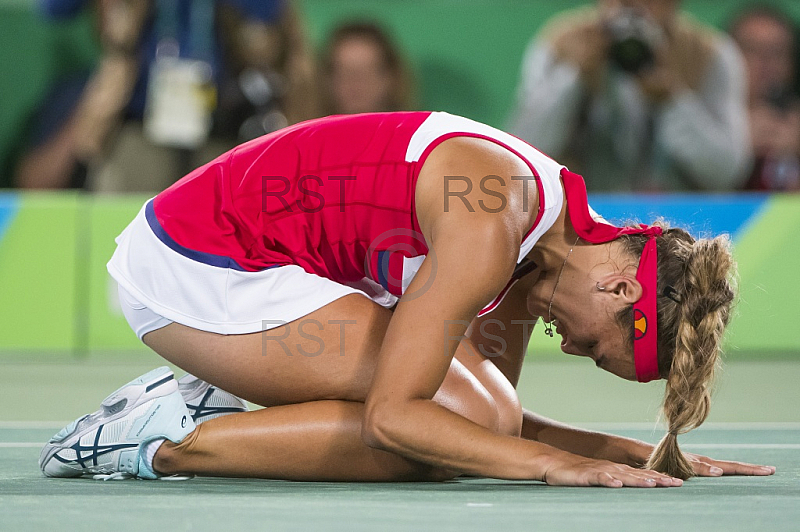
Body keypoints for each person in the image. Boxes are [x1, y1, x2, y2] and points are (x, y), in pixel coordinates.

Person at [40, 111, 775, 486]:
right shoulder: (494, 217)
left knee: (463, 428)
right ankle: (156, 443)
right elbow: (403, 419)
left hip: (257, 264)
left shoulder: (542, 238)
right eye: (596, 348)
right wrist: (556, 466)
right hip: (196, 262)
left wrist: (625, 453)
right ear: (622, 286)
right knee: (438, 428)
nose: (571, 348)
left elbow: (491, 426)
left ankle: (199, 408)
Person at [15, 0, 319, 191]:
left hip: (220, 126)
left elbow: (268, 11)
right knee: (126, 236)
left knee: (216, 246)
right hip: (134, 121)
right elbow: (54, 9)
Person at [508, 0, 752, 192]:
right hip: (579, 222)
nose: (635, 9)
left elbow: (727, 171)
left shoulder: (709, 54)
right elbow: (523, 156)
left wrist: (672, 100)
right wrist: (574, 76)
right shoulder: (563, 43)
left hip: (678, 226)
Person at [730, 5, 800, 191]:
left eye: (777, 52)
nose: (766, 62)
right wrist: (735, 147)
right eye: (752, 50)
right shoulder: (705, 119)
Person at [321, 21, 415, 116]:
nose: (355, 83)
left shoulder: (417, 129)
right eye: (344, 74)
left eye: (366, 74)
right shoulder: (311, 128)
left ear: (390, 78)